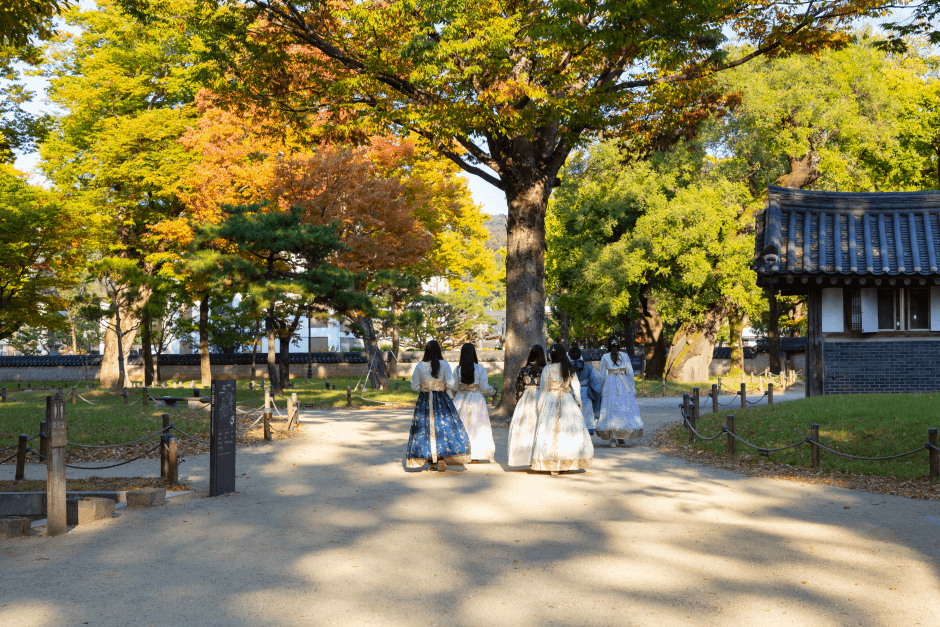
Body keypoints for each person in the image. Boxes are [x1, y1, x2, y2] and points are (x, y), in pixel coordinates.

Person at [406, 340, 472, 471]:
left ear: (426, 351)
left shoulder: (420, 366)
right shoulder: (444, 364)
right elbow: (451, 384)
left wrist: (424, 386)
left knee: (425, 429)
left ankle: (432, 462)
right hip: (441, 399)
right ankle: (441, 458)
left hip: (425, 400)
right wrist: (441, 386)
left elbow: (414, 387)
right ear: (438, 350)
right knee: (442, 427)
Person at [530, 344, 594, 475]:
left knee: (551, 430)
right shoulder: (568, 368)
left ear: (552, 355)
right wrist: (578, 401)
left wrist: (540, 405)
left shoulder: (547, 368)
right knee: (567, 430)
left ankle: (553, 464)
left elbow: (543, 389)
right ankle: (566, 461)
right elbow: (576, 385)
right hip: (566, 399)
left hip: (550, 400)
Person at [451, 343, 496, 462]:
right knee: (477, 426)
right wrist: (493, 391)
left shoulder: (458, 369)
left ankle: (460, 452)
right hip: (476, 399)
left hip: (460, 399)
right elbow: (484, 387)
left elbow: (454, 387)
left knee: (461, 425)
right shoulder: (479, 368)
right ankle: (475, 453)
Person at [596, 338, 643, 446]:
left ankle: (613, 438)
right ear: (619, 346)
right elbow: (630, 373)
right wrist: (631, 387)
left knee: (610, 408)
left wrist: (600, 387)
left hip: (610, 382)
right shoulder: (625, 355)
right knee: (623, 408)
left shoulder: (605, 357)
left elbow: (602, 375)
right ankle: (621, 436)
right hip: (623, 382)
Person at [507, 344, 547, 467]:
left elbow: (519, 390)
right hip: (543, 397)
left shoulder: (524, 370)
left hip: (527, 399)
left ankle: (525, 457)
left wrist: (519, 402)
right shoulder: (546, 369)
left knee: (526, 428)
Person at [568, 344, 602, 435]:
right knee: (586, 413)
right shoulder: (588, 367)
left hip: (571, 393)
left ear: (569, 355)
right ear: (580, 355)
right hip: (586, 392)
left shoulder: (566, 368)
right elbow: (597, 379)